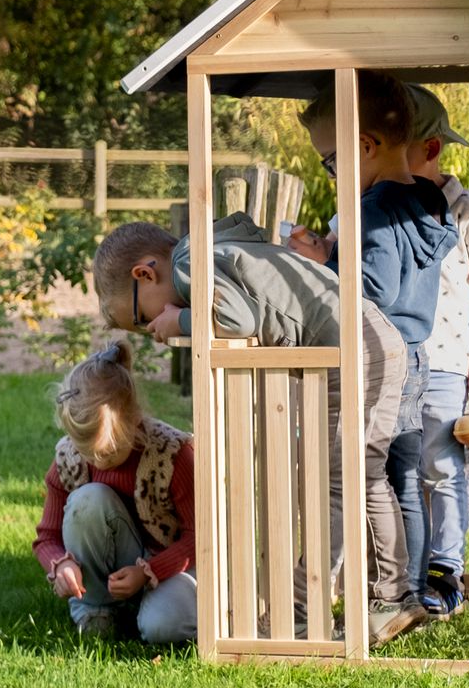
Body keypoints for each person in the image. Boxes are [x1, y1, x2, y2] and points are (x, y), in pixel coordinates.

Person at [92, 213, 423, 646]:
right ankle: (387, 596)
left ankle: (309, 609)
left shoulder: (191, 266)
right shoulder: (209, 253)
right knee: (361, 476)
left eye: (139, 317)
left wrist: (182, 321)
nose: (149, 329)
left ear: (145, 272)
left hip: (353, 353)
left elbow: (237, 319)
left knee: (337, 484)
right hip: (374, 340)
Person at [286, 71, 458, 609]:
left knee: (370, 473)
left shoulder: (375, 209)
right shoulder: (425, 200)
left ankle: (393, 592)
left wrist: (323, 261)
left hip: (382, 360)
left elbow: (373, 288)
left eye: (331, 162)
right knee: (401, 474)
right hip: (414, 354)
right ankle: (405, 589)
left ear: (366, 146)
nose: (332, 174)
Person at [402, 83, 469, 617]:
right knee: (401, 468)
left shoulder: (466, 210)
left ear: (430, 150)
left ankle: (445, 571)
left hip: (445, 360)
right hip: (394, 363)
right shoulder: (379, 204)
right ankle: (407, 571)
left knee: (440, 467)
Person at [34, 341, 198, 643]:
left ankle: (148, 612)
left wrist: (149, 572)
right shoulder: (69, 458)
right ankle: (96, 609)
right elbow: (47, 537)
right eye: (87, 451)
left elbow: (199, 536)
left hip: (172, 566)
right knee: (87, 500)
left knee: (164, 627)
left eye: (107, 451)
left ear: (134, 420)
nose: (97, 461)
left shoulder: (172, 454)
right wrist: (61, 565)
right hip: (115, 565)